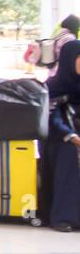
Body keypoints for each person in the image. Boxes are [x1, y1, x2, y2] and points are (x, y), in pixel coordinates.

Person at [44, 38, 80, 232]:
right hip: (59, 138)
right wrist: (71, 136)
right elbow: (53, 118)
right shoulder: (53, 86)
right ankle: (63, 217)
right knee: (69, 155)